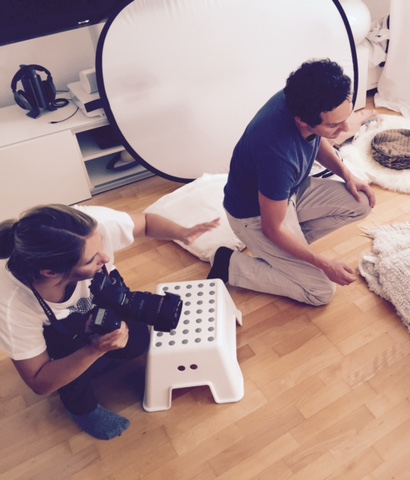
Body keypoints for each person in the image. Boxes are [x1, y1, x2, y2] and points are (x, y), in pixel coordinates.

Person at [0, 204, 220, 440]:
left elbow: (146, 222)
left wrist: (182, 233)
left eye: (102, 246)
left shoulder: (90, 229)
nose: (105, 257)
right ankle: (83, 409)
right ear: (50, 273)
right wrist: (94, 350)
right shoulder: (13, 305)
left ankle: (99, 358)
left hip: (103, 305)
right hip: (61, 342)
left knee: (138, 342)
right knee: (68, 365)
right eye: (91, 260)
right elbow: (39, 382)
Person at [210, 58, 376, 306]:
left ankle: (281, 254)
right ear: (302, 121)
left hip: (291, 192)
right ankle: (229, 264)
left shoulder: (303, 96)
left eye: (346, 117)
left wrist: (347, 175)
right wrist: (323, 263)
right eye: (334, 125)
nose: (344, 129)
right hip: (255, 216)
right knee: (320, 292)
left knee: (360, 202)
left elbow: (317, 140)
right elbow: (272, 228)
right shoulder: (278, 154)